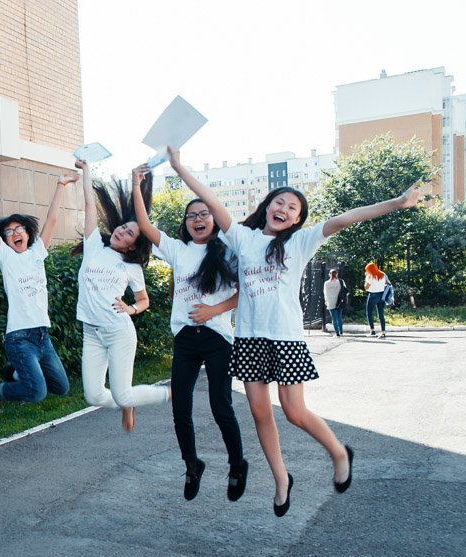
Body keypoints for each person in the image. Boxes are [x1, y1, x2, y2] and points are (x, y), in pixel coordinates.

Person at [169, 147, 422, 516]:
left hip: (285, 337)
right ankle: (281, 479)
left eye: (293, 208)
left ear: (297, 219)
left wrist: (397, 203)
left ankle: (339, 452)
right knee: (260, 413)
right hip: (250, 339)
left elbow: (346, 218)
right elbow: (211, 200)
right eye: (280, 202)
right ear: (268, 205)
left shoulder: (300, 242)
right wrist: (179, 167)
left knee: (294, 412)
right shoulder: (243, 238)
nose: (284, 209)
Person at [131, 165, 248, 501]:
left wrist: (213, 310)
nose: (198, 219)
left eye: (204, 214)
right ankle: (192, 464)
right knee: (180, 407)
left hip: (217, 338)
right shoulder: (178, 250)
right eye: (191, 215)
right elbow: (145, 226)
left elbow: (244, 293)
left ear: (214, 220)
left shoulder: (227, 251)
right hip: (185, 338)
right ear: (185, 223)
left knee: (220, 406)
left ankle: (237, 464)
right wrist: (136, 185)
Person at [0, 173, 71, 415]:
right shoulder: (6, 257)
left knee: (61, 387)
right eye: (8, 232)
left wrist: (61, 185)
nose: (15, 233)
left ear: (28, 234)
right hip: (19, 338)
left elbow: (52, 220)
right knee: (37, 392)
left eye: (19, 229)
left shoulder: (37, 252)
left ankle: (17, 373)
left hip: (42, 336)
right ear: (5, 240)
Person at [73, 159, 169, 434]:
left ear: (132, 246)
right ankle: (127, 403)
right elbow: (90, 205)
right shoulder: (94, 246)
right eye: (123, 227)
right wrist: (86, 170)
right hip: (91, 332)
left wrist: (131, 309)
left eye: (129, 233)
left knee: (123, 394)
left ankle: (170, 393)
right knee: (93, 396)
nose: (121, 231)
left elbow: (144, 300)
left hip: (118, 332)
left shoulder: (131, 267)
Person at [364, 262, 389, 338]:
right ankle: (383, 332)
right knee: (381, 313)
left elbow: (366, 287)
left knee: (369, 312)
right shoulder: (382, 274)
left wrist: (365, 281)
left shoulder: (369, 276)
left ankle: (372, 331)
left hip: (373, 295)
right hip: (381, 295)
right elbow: (386, 284)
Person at [323, 269, 347, 337]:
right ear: (337, 274)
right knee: (339, 317)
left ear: (329, 274)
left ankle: (337, 333)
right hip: (339, 301)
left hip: (330, 301)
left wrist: (326, 301)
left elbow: (325, 293)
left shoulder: (326, 283)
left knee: (334, 318)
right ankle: (341, 332)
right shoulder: (341, 281)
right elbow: (345, 290)